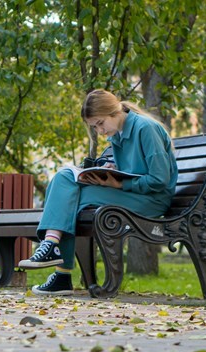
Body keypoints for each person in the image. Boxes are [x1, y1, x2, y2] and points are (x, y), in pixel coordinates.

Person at [19, 89, 178, 295]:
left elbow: (159, 180)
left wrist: (120, 184)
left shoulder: (145, 129)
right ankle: (51, 244)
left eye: (100, 124)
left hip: (151, 200)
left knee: (72, 198)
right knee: (63, 177)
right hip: (133, 193)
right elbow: (134, 169)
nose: (100, 132)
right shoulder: (118, 133)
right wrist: (110, 171)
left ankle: (61, 273)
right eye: (95, 127)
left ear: (114, 111)